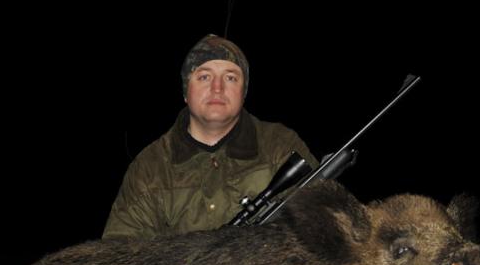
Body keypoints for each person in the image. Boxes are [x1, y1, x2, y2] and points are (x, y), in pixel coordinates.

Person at [102, 34, 318, 239]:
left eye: (230, 78)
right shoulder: (149, 168)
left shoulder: (279, 145)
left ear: (243, 93)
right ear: (186, 92)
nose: (217, 88)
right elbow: (120, 252)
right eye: (204, 77)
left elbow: (322, 226)